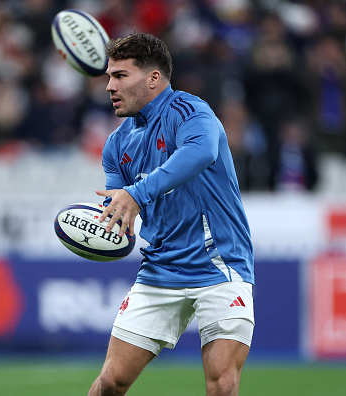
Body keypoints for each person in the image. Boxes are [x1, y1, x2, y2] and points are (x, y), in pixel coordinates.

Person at [89, 33, 255, 396]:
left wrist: (137, 192)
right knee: (110, 383)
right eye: (108, 76)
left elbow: (199, 154)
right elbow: (118, 205)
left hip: (220, 264)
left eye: (120, 76)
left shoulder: (191, 111)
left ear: (153, 78)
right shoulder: (117, 143)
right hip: (160, 268)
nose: (109, 86)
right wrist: (104, 225)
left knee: (222, 385)